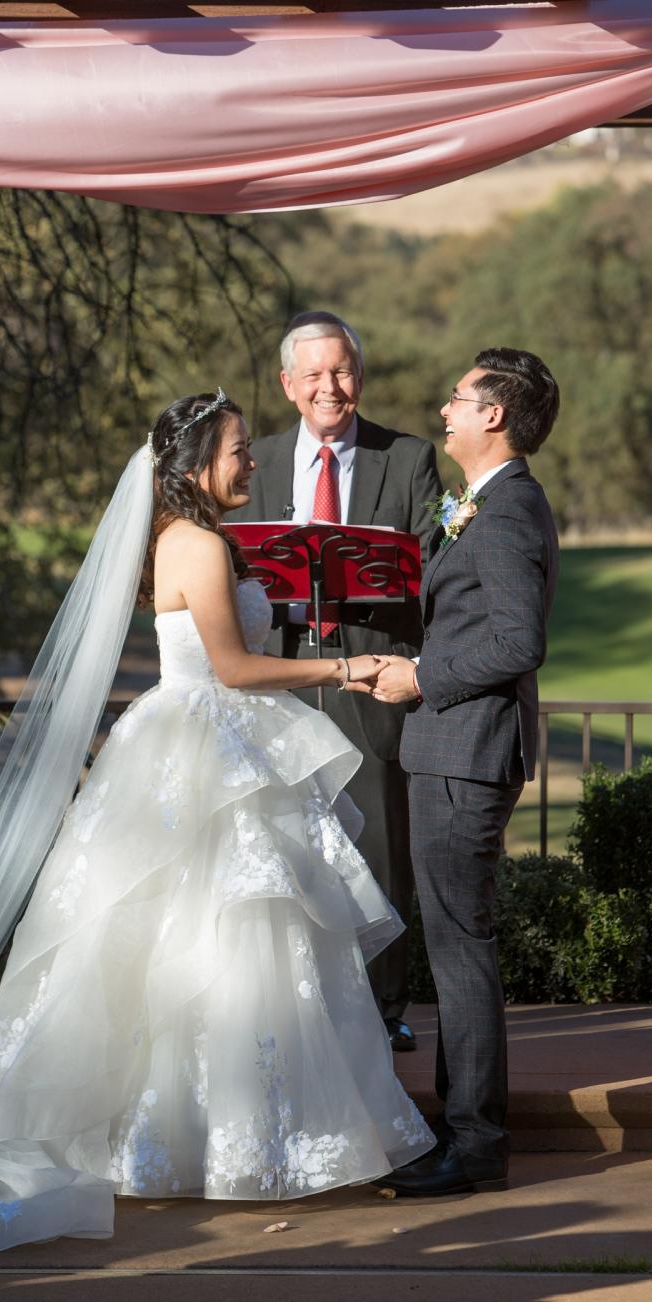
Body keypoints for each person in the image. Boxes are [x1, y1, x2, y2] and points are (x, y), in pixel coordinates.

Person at [0, 391, 434, 1251]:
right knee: (199, 937)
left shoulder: (200, 539)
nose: (251, 462)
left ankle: (215, 1142)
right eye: (238, 451)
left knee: (232, 940)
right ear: (196, 466)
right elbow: (229, 667)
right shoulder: (191, 542)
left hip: (213, 744)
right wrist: (348, 669)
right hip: (199, 749)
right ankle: (193, 1142)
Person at [369, 349, 560, 1197]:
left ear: (494, 416)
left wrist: (421, 677)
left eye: (457, 397)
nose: (443, 408)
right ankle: (461, 1128)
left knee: (459, 949)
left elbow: (520, 642)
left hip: (467, 750)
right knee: (453, 944)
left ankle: (477, 1142)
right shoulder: (479, 507)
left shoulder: (510, 509)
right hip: (451, 748)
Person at [244, 311, 442, 1052]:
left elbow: (433, 574)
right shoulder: (257, 460)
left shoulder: (409, 457)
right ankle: (293, 1002)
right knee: (283, 846)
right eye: (316, 374)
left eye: (344, 371)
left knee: (381, 848)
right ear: (289, 384)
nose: (332, 387)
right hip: (281, 680)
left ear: (360, 375)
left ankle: (385, 1007)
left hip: (372, 680)